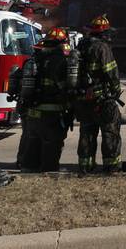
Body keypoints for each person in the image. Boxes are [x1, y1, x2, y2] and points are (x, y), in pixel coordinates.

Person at [20, 27, 77, 172]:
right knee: (52, 143)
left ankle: (28, 168)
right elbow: (67, 86)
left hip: (33, 111)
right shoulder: (61, 60)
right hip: (53, 111)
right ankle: (49, 170)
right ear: (62, 42)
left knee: (33, 141)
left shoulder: (36, 58)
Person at [74, 14, 123, 174]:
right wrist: (116, 90)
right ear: (104, 33)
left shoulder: (81, 46)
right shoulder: (102, 47)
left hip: (83, 99)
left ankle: (85, 165)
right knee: (110, 132)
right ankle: (111, 165)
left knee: (87, 133)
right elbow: (111, 72)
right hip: (102, 100)